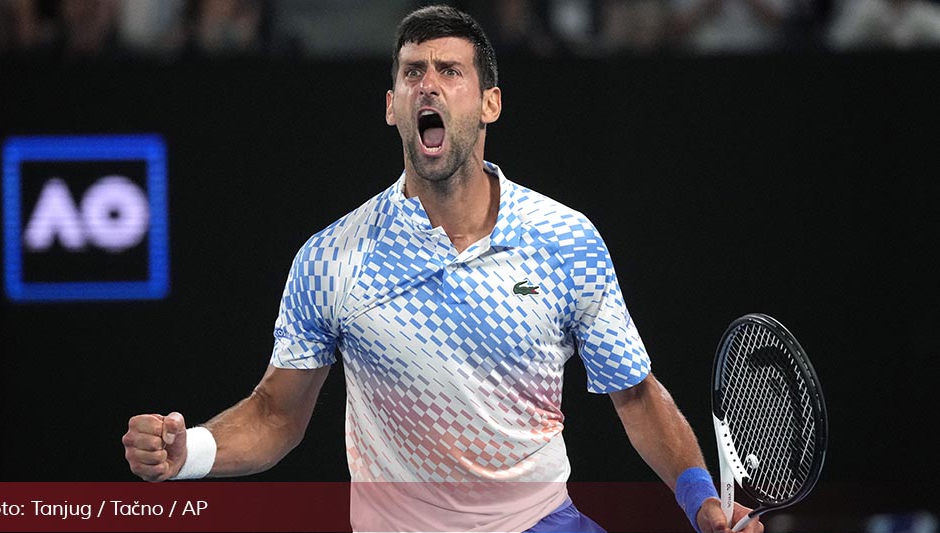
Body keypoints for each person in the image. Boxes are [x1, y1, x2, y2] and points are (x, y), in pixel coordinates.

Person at [122, 5, 764, 533]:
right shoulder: (332, 259)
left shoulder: (565, 239)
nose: (427, 85)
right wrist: (189, 451)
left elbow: (636, 394)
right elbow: (275, 416)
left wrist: (701, 501)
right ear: (392, 106)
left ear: (490, 103)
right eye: (412, 73)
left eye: (450, 71)